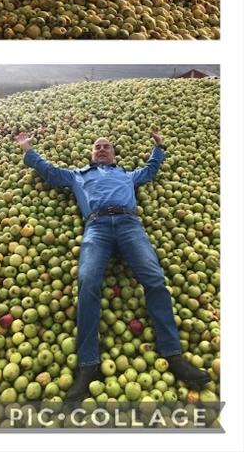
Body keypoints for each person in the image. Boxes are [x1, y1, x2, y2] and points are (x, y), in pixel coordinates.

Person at [14, 130, 210, 402]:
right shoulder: (78, 175)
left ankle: (173, 356)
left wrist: (159, 147)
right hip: (96, 226)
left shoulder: (126, 175)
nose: (103, 148)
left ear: (114, 154)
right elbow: (49, 171)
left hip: (130, 225)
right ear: (92, 154)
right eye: (98, 146)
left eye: (107, 146)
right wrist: (27, 150)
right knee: (87, 282)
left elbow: (150, 171)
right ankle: (88, 365)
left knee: (155, 280)